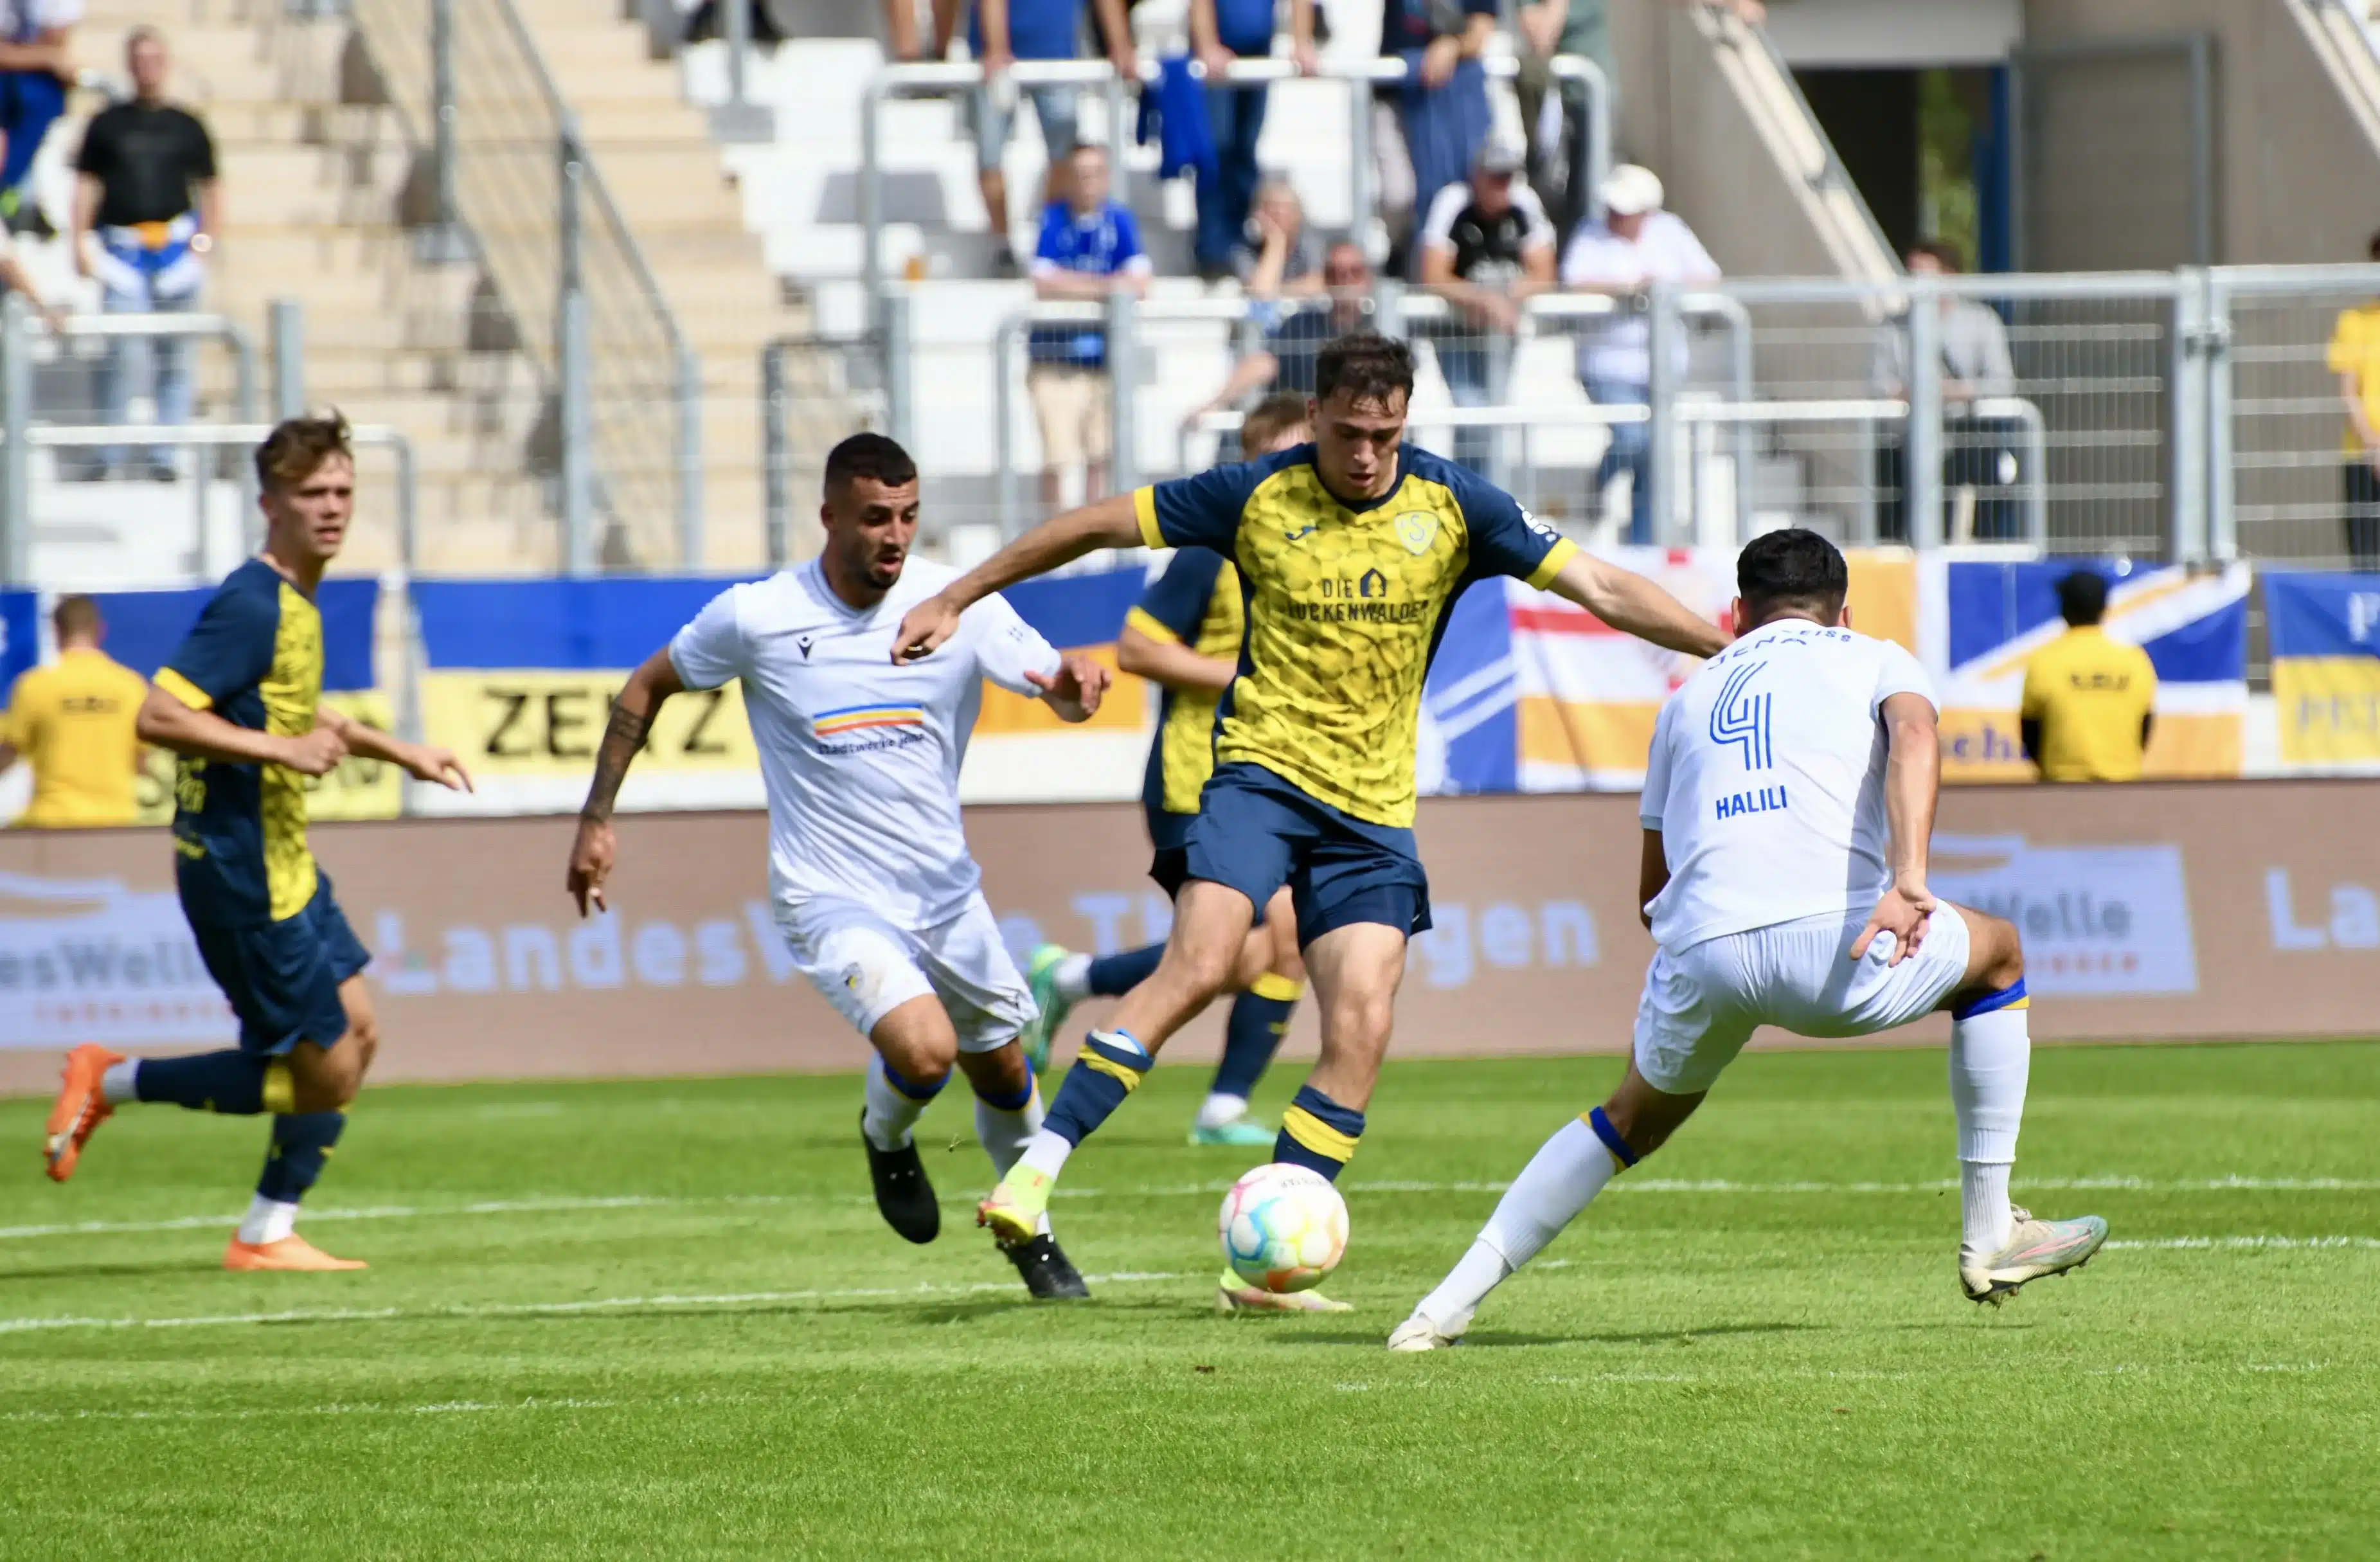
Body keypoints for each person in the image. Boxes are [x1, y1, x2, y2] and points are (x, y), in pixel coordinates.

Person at [888, 334, 1728, 1283]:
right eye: (1346, 433)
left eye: (1384, 434)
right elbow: (1088, 528)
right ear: (1316, 415)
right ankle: (1032, 1177)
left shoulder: (1456, 506)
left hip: (1370, 811)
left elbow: (1602, 585)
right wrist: (957, 594)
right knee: (1202, 960)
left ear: (1404, 421)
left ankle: (1265, 1262)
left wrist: (1718, 646)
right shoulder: (1252, 493)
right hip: (1260, 776)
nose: (1365, 454)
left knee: (1361, 1025)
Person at [1389, 528, 2109, 1351]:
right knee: (2000, 954)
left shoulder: (1683, 702)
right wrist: (1908, 879)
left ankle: (1438, 1310)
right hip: (1837, 946)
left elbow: (1650, 892)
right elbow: (1913, 737)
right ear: (1842, 611)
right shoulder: (1873, 655)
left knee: (1627, 1119)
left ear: (1735, 614)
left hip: (1704, 952)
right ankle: (1989, 1233)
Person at [562, 433, 1113, 1301]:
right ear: (828, 517)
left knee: (1005, 1070)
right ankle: (886, 1138)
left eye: (906, 516)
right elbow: (644, 687)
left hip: (943, 891)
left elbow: (1055, 683)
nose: (893, 536)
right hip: (828, 896)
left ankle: (1027, 1231)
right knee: (925, 1049)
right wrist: (596, 820)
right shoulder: (759, 616)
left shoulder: (954, 599)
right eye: (872, 518)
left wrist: (1074, 688)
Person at [41, 414, 474, 1272]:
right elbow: (158, 712)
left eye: (343, 491)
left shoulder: (297, 601)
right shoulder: (253, 601)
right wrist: (282, 752)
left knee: (358, 1032)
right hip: (240, 873)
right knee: (324, 1072)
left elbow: (288, 710)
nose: (332, 508)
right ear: (270, 503)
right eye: (312, 493)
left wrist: (403, 750)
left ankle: (266, 1232)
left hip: (286, 859)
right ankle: (115, 1082)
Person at [1021, 395, 1316, 1241]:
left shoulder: (1309, 556)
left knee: (1271, 944)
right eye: (1287, 453)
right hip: (1195, 781)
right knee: (1245, 941)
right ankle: (1090, 1009)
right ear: (1252, 459)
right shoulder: (1208, 553)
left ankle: (1082, 989)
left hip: (1268, 781)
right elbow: (1140, 646)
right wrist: (1241, 675)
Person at [71, 26, 220, 482]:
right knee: (122, 353)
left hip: (174, 249)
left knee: (176, 356)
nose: (148, 68)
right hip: (124, 251)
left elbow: (210, 187)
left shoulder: (187, 126)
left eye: (155, 59)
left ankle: (166, 453)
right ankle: (109, 449)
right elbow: (88, 183)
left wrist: (205, 242)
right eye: (140, 59)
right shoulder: (107, 125)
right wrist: (78, 239)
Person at [1559, 162, 1717, 543]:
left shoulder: (1670, 231)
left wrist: (1663, 289)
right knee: (1635, 440)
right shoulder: (1591, 233)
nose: (1617, 217)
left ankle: (1643, 542)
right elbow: (1574, 284)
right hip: (1608, 364)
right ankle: (1602, 481)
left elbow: (1708, 277)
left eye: (1626, 211)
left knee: (1654, 456)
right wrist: (1626, 290)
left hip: (1663, 367)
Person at [1513, 0, 1762, 240]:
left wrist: (1733, 3)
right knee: (1556, 199)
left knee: (1593, 195)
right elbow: (1539, 42)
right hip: (1556, 114)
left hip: (1598, 109)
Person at [956, 0, 1134, 274]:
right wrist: (996, 46)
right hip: (994, 60)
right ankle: (1003, 247)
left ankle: (1049, 240)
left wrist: (1120, 44)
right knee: (990, 156)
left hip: (1058, 53)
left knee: (1065, 154)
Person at [1417, 134, 1557, 472]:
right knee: (1471, 409)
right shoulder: (1454, 203)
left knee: (1493, 412)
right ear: (1476, 175)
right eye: (1494, 176)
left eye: (1507, 176)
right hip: (1455, 329)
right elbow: (1433, 274)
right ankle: (1467, 497)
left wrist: (1505, 299)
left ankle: (1482, 497)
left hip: (1500, 330)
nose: (1501, 185)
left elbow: (1545, 272)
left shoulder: (1523, 204)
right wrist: (1483, 300)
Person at [1870, 240, 2023, 543]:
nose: (1915, 283)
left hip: (1967, 437)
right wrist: (1916, 394)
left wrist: (1954, 392)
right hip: (1908, 439)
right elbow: (1878, 387)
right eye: (1911, 274)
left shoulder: (1981, 321)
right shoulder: (1891, 328)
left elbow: (2002, 383)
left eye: (1924, 275)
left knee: (1982, 487)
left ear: (1949, 277)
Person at [1027, 141, 1150, 508]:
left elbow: (1142, 283)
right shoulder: (1052, 218)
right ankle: (1052, 538)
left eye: (1096, 173)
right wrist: (1106, 288)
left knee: (1100, 453)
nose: (1087, 182)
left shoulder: (1120, 220)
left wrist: (1075, 287)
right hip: (1055, 359)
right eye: (1080, 174)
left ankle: (1088, 541)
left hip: (1104, 359)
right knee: (1057, 455)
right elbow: (1043, 282)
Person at [1181, 239, 1371, 439]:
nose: (1344, 280)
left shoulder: (1381, 328)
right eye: (1334, 273)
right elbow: (1263, 364)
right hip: (1306, 435)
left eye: (1354, 272)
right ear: (1323, 278)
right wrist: (1214, 404)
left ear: (1367, 278)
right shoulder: (1300, 326)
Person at [1189, 0, 1316, 281]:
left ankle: (1242, 242)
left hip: (1256, 47)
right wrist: (1207, 44)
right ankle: (1213, 251)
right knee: (1217, 148)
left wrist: (1302, 41)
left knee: (1246, 146)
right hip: (1218, 51)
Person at [0, 593, 146, 828]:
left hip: (53, 820)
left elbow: (8, 752)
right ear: (100, 630)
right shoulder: (130, 686)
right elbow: (143, 761)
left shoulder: (35, 686)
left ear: (56, 631)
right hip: (118, 819)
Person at [1378, 0, 1496, 274]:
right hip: (1397, 98)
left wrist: (1452, 45)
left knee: (1454, 198)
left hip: (1452, 107)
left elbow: (1481, 31)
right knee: (1399, 197)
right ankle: (1401, 268)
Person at [2019, 569, 2156, 783]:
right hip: (2124, 784)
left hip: (2061, 784)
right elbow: (2145, 727)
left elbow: (2030, 731)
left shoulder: (2044, 660)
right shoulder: (2134, 660)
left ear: (2063, 609)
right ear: (2103, 608)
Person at [2324, 229, 2380, 571]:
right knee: (2367, 560)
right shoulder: (2354, 321)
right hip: (2363, 458)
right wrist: (2374, 447)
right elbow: (2348, 394)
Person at [0, 0, 78, 235]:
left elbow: (56, 46)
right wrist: (45, 57)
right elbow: (53, 56)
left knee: (37, 94)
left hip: (33, 93)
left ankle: (10, 192)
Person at [1229, 178, 1324, 303]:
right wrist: (1276, 242)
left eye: (1285, 208)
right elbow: (1260, 293)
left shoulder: (1310, 243)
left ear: (1298, 214)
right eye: (1271, 207)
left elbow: (1317, 285)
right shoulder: (1243, 251)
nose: (1279, 213)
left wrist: (1277, 290)